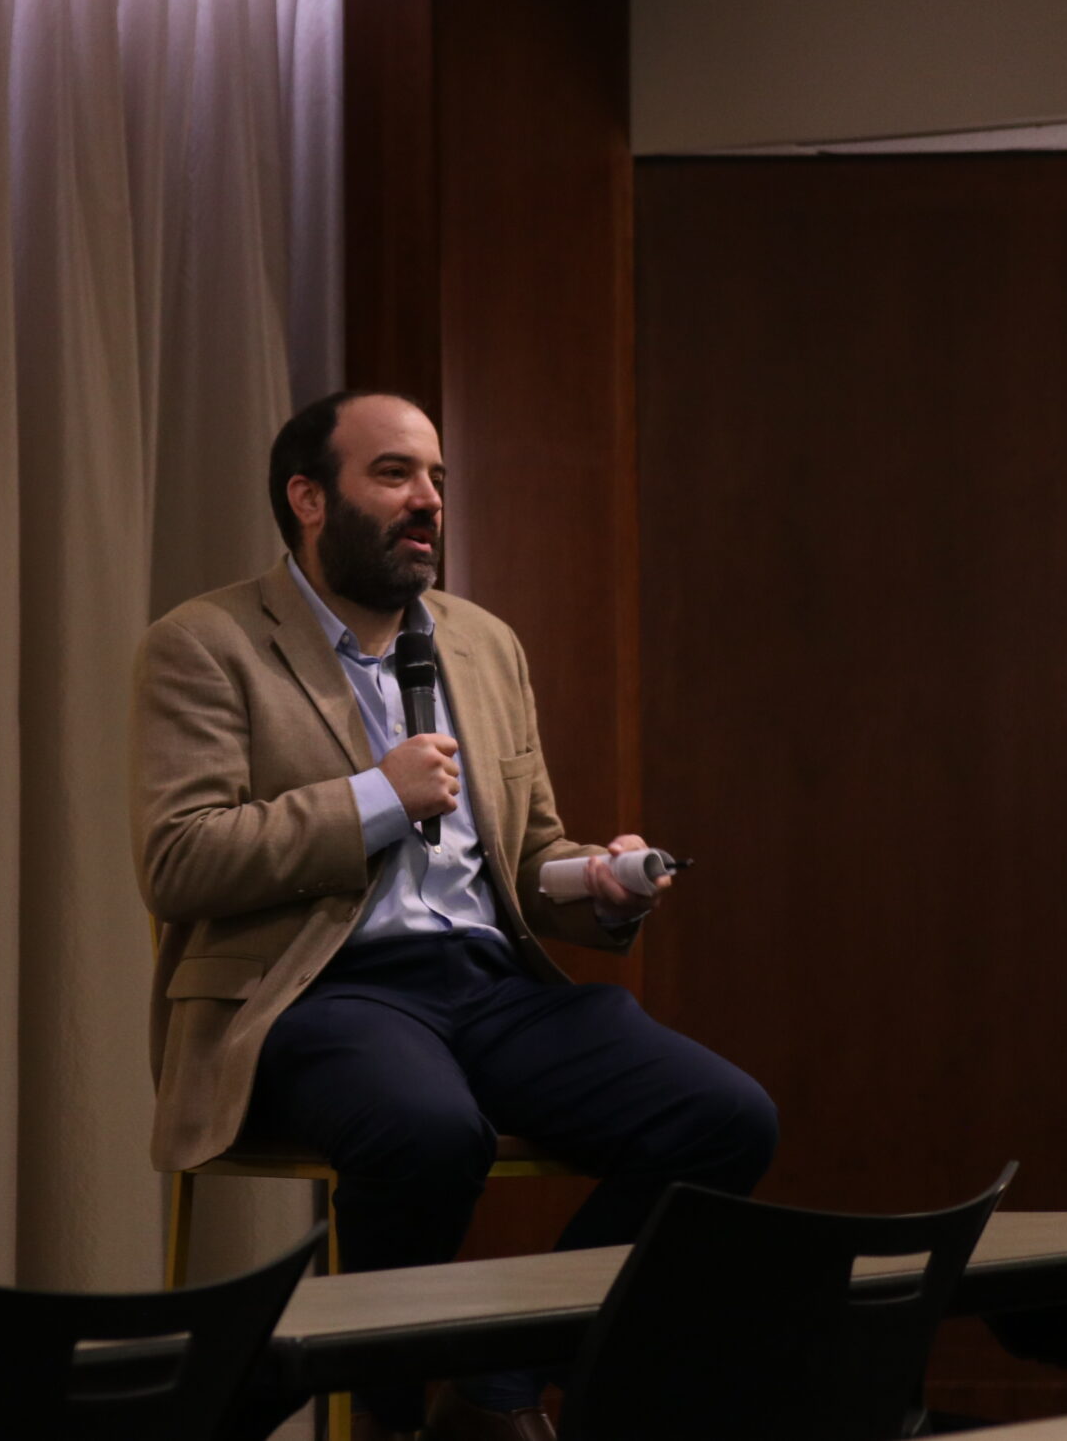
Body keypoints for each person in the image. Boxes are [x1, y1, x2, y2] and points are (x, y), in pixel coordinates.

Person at [132, 391, 777, 1441]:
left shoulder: (481, 643)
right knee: (426, 1130)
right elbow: (180, 860)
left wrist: (596, 881)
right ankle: (381, 1415)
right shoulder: (205, 644)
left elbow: (526, 858)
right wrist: (377, 797)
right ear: (307, 497)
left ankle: (497, 1380)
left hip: (486, 987)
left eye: (435, 478)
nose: (427, 500)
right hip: (316, 987)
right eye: (393, 475)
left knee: (723, 1118)